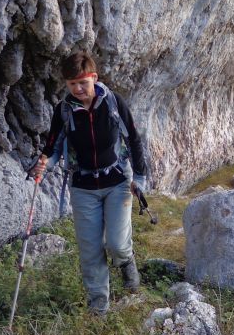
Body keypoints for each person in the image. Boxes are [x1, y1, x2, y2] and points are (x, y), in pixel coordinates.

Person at [29, 51, 148, 315]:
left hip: (117, 181)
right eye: (72, 84)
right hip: (83, 186)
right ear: (67, 84)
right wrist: (43, 164)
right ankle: (99, 308)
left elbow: (134, 140)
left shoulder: (113, 102)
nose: (79, 89)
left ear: (94, 77)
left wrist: (139, 177)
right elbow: (53, 147)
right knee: (90, 250)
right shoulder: (64, 110)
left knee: (116, 243)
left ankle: (126, 261)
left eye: (83, 82)